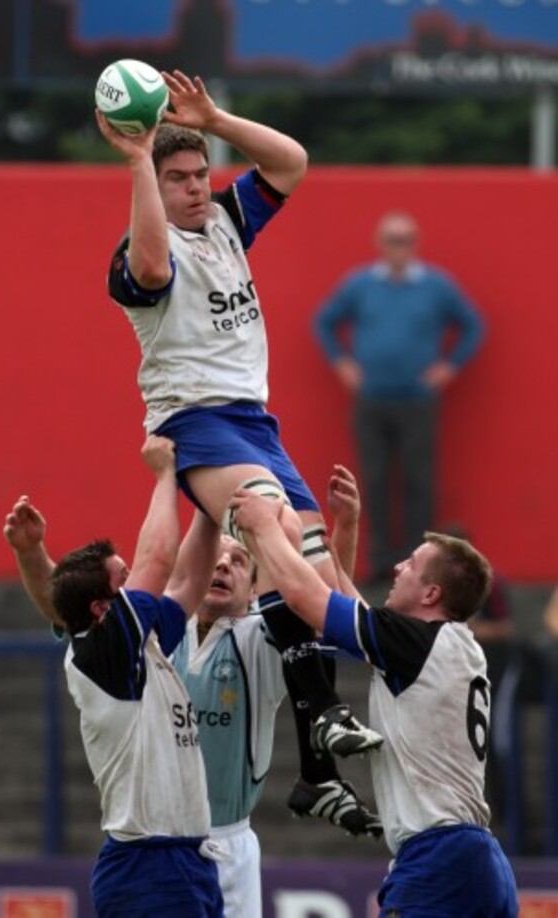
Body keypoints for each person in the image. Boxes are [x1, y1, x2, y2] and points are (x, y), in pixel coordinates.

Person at [97, 68, 382, 762]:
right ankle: (330, 708)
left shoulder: (227, 219)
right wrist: (138, 159)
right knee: (267, 522)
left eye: (201, 174)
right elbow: (157, 265)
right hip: (194, 421)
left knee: (308, 558)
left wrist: (216, 119)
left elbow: (292, 162)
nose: (197, 186)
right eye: (180, 178)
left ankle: (320, 752)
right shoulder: (137, 256)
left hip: (256, 424)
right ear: (155, 187)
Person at [4, 469, 382, 918]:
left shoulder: (263, 637)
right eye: (216, 557)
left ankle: (319, 774)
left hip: (227, 842)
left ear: (261, 585)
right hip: (156, 846)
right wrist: (31, 555)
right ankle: (320, 775)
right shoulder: (155, 631)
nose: (222, 565)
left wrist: (345, 529)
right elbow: (73, 612)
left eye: (240, 560)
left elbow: (320, 604)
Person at [228, 482, 518, 917]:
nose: (398, 567)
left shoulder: (416, 642)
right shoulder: (443, 644)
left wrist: (264, 527)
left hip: (439, 859)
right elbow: (342, 602)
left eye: (412, 564)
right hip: (475, 859)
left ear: (431, 594)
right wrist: (347, 526)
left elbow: (307, 598)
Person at [5, 435, 224, 918]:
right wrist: (167, 476)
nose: (138, 588)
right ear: (104, 609)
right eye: (123, 581)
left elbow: (188, 580)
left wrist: (212, 502)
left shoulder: (135, 644)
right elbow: (159, 561)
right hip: (149, 867)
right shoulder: (105, 650)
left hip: (188, 860)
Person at [313, 212, 485, 582]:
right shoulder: (360, 285)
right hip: (371, 398)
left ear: (415, 243)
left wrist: (449, 366)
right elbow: (325, 321)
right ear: (380, 243)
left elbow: (472, 325)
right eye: (392, 239)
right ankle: (378, 563)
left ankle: (417, 562)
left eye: (405, 240)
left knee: (418, 480)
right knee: (372, 481)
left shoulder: (437, 286)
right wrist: (342, 363)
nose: (398, 247)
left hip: (417, 399)